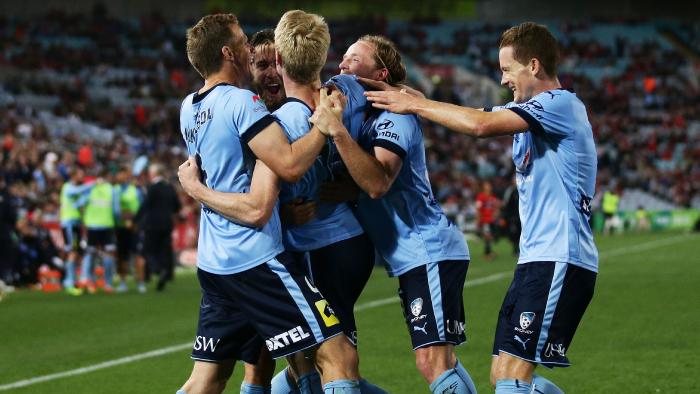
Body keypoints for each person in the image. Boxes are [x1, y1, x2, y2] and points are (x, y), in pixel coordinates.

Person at [364, 21, 598, 394]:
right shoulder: (532, 111)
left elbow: (480, 125)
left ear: (533, 66)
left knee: (513, 380)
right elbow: (471, 112)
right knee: (502, 376)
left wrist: (416, 104)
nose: (504, 79)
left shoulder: (562, 104)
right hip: (536, 260)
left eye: (507, 69)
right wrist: (402, 93)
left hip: (561, 257)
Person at [175, 13, 362, 394]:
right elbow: (288, 167)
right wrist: (324, 126)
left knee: (206, 379)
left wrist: (197, 190)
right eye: (244, 43)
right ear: (228, 52)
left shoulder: (188, 107)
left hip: (214, 263)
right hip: (255, 259)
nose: (249, 49)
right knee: (337, 355)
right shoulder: (242, 102)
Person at [311, 35, 477, 394]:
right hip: (412, 256)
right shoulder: (368, 120)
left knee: (432, 362)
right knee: (439, 362)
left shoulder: (396, 116)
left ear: (379, 73)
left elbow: (378, 183)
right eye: (343, 59)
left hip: (427, 248)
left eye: (354, 60)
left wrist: (336, 131)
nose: (342, 66)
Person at [136, 163, 180, 292]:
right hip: (167, 224)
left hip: (152, 224)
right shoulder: (169, 187)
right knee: (164, 250)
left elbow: (145, 205)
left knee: (148, 250)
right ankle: (166, 271)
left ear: (154, 173)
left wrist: (136, 220)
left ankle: (159, 270)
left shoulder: (153, 188)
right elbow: (177, 206)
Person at [79, 169, 120, 293]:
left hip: (91, 226)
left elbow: (79, 203)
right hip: (107, 225)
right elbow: (116, 211)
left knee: (90, 253)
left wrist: (84, 217)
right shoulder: (112, 190)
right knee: (108, 254)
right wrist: (117, 222)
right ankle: (108, 284)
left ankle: (88, 281)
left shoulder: (91, 189)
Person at [58, 168, 91, 295]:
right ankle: (69, 282)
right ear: (73, 175)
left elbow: (79, 203)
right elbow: (78, 192)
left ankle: (73, 280)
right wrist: (92, 185)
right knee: (72, 251)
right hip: (68, 223)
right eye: (80, 173)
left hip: (76, 223)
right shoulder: (67, 187)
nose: (82, 176)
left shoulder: (77, 189)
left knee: (76, 252)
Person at [114, 167, 143, 292]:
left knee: (137, 255)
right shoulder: (114, 190)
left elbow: (142, 208)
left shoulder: (135, 190)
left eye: (123, 175)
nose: (120, 178)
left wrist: (134, 220)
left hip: (134, 227)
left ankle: (140, 283)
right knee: (122, 256)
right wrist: (123, 217)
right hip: (120, 227)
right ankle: (122, 282)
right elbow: (114, 210)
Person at [249, 28, 286, 112]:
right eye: (263, 65)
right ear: (251, 68)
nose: (272, 74)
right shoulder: (243, 113)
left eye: (278, 64)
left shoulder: (311, 113)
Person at [475, 181, 500, 260]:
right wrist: (478, 219)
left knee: (491, 237)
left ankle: (489, 252)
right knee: (487, 236)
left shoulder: (492, 197)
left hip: (491, 221)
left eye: (489, 186)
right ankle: (487, 253)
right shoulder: (481, 197)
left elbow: (496, 207)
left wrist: (496, 213)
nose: (488, 187)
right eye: (487, 186)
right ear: (483, 188)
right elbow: (478, 209)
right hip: (484, 220)